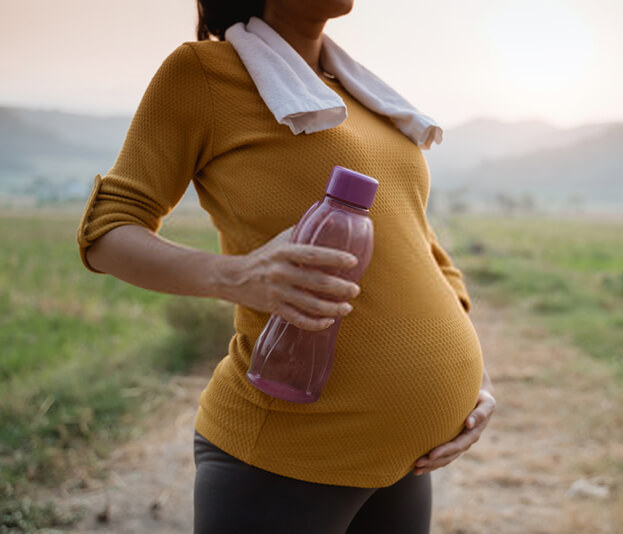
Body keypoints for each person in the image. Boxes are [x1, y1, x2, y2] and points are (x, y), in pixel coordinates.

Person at [76, 1, 496, 532]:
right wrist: (237, 276)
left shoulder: (353, 92)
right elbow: (108, 231)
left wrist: (470, 373)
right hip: (288, 457)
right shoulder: (203, 73)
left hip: (408, 462)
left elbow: (417, 239)